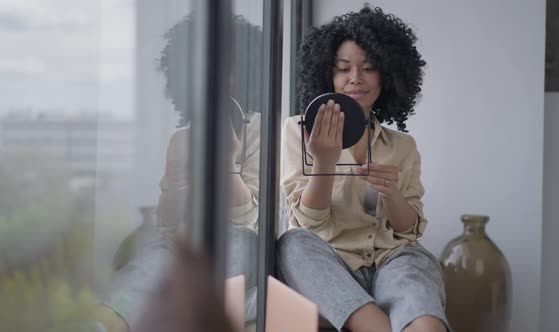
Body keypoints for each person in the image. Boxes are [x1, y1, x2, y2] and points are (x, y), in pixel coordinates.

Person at [278, 6, 450, 332]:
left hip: (392, 259)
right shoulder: (295, 132)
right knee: (292, 244)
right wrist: (325, 163)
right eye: (343, 69)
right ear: (327, 74)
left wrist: (392, 194)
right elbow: (309, 223)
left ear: (387, 76)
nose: (355, 78)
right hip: (330, 262)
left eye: (369, 68)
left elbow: (408, 230)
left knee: (419, 297)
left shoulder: (402, 146)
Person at [91, 12, 262, 332]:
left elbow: (249, 219)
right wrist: (177, 194)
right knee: (153, 259)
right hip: (184, 239)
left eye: (228, 68)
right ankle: (103, 324)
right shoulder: (183, 138)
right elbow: (168, 222)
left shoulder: (264, 132)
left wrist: (226, 162)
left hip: (242, 240)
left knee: (236, 242)